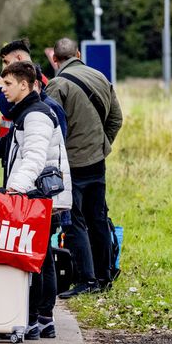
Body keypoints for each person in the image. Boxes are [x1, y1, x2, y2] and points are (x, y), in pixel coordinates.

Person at [0, 61, 71, 339]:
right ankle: (40, 320)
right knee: (40, 256)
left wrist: (15, 188)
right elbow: (7, 145)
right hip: (37, 193)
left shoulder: (36, 115)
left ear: (25, 84)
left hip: (37, 194)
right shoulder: (26, 113)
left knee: (36, 258)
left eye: (7, 83)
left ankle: (36, 319)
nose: (2, 87)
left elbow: (33, 156)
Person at [46, 37, 123, 298]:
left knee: (74, 222)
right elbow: (116, 118)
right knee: (98, 219)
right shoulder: (100, 77)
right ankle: (104, 277)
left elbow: (51, 127)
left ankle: (86, 280)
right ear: (78, 54)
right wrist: (103, 145)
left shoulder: (57, 84)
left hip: (72, 165)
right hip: (97, 161)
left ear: (55, 60)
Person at [0, 39, 51, 139]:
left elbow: (8, 110)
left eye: (7, 62)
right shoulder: (44, 80)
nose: (6, 68)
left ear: (19, 58)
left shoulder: (36, 82)